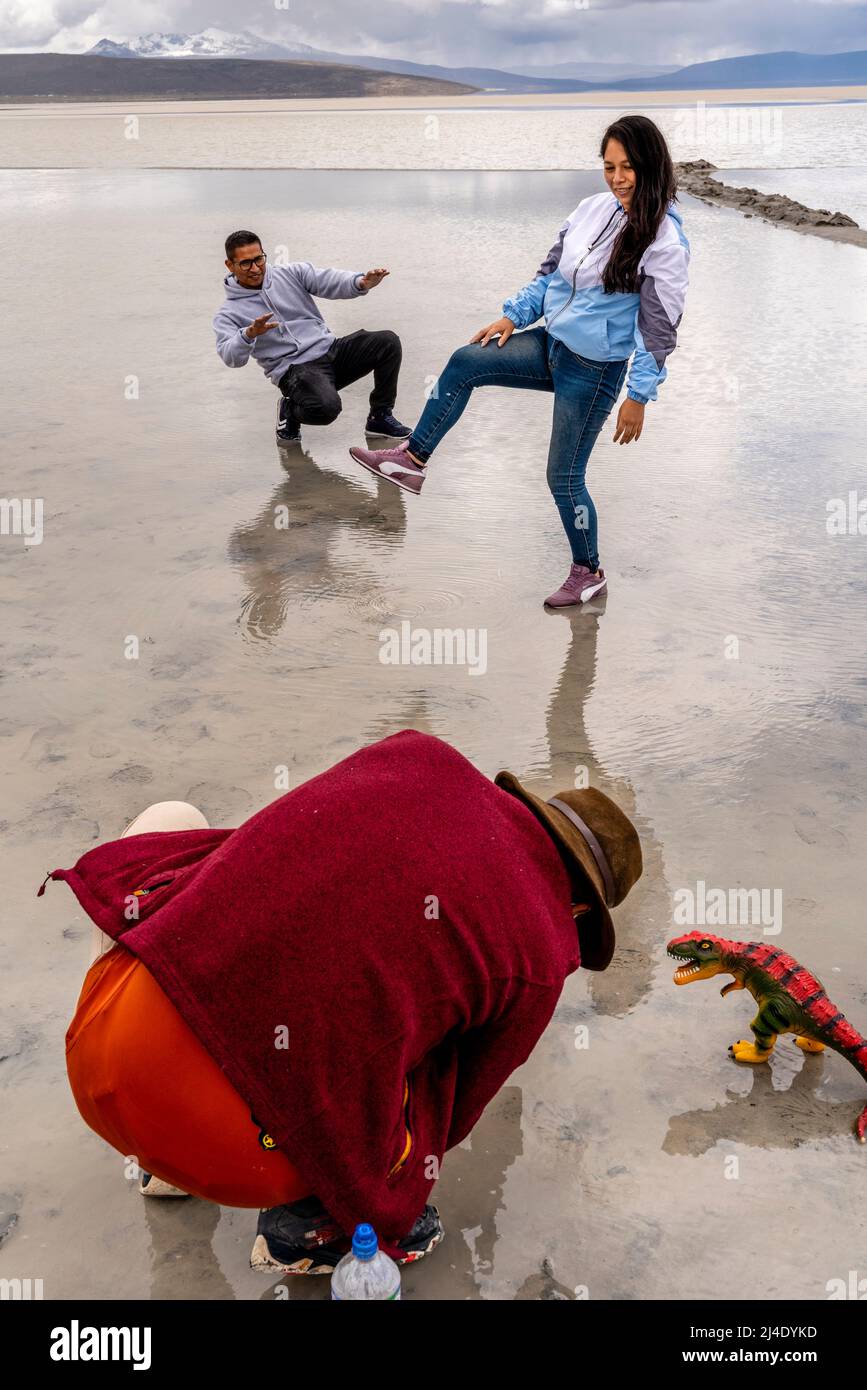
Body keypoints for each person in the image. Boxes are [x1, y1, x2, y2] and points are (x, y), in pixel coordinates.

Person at [41, 730, 641, 1277]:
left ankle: (160, 1166)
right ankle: (306, 1228)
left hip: (101, 1055)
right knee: (424, 1063)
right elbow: (452, 1113)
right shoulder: (541, 951)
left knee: (176, 824)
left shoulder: (419, 755)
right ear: (583, 908)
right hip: (231, 1154)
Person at [349, 115, 690, 608]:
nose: (617, 178)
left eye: (628, 167)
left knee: (563, 478)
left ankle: (588, 572)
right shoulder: (593, 208)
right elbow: (551, 273)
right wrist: (514, 315)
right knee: (467, 361)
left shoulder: (665, 242)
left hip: (595, 372)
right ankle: (410, 459)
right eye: (609, 166)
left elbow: (659, 332)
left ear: (651, 166)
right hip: (552, 343)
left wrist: (638, 396)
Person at [213, 230, 412, 447]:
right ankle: (289, 411)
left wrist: (361, 282)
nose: (255, 268)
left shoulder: (291, 273)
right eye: (245, 263)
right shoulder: (228, 313)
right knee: (326, 409)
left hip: (330, 350)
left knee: (387, 342)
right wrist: (248, 335)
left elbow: (327, 280)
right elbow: (231, 357)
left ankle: (380, 417)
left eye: (259, 259)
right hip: (295, 371)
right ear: (230, 265)